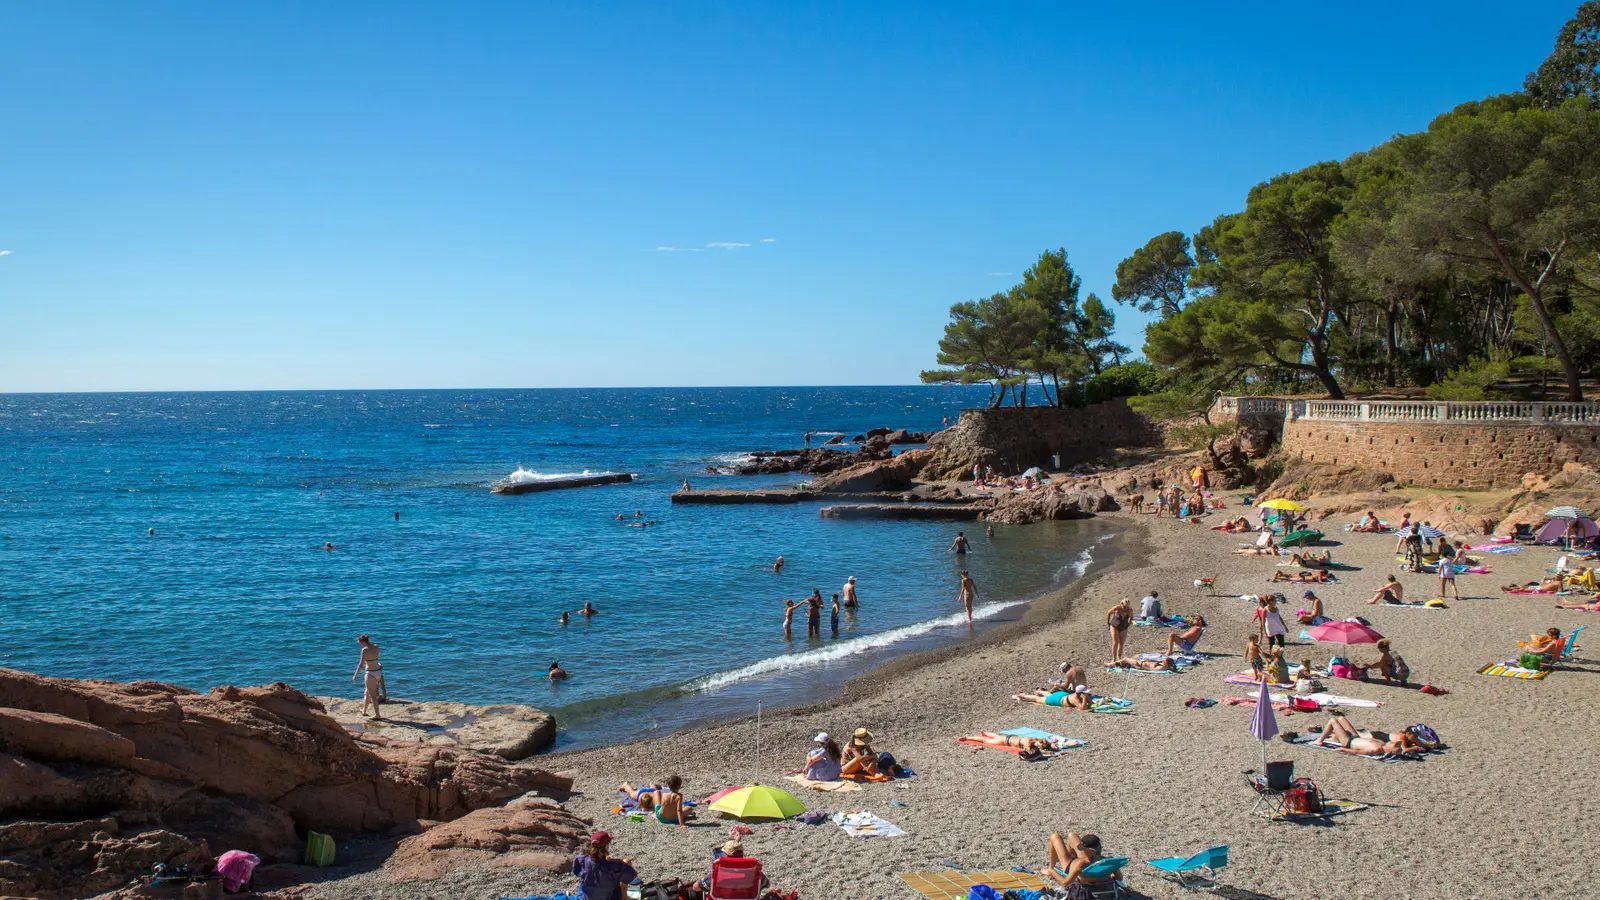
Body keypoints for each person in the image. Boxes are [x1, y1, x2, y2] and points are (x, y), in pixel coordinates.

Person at [1313, 712, 1435, 757]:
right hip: (1355, 737)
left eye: (1393, 745)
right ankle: (1332, 736)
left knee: (1333, 721)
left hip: (1348, 742)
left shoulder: (1377, 749)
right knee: (1341, 718)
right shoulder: (1384, 744)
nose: (1393, 743)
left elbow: (1358, 752)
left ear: (1389, 750)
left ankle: (1320, 739)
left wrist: (1344, 749)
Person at [1047, 831, 1122, 896]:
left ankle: (1050, 867)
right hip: (1093, 864)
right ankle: (1071, 854)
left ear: (1087, 850)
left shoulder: (1081, 864)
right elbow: (1120, 879)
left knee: (1055, 837)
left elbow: (1065, 883)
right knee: (1072, 835)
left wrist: (1052, 872)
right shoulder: (1109, 861)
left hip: (1070, 866)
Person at [571, 831, 636, 900]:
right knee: (626, 862)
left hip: (587, 897)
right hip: (609, 897)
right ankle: (624, 897)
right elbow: (631, 876)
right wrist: (619, 862)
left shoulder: (581, 860)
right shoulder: (615, 866)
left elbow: (576, 871)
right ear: (606, 846)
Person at [352, 634, 386, 716]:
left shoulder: (364, 650)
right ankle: (364, 711)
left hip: (370, 673)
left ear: (362, 642)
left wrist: (355, 675)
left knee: (372, 696)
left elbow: (361, 664)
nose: (360, 644)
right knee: (366, 693)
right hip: (378, 672)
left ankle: (377, 715)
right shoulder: (376, 646)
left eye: (360, 643)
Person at [1015, 684, 1094, 709]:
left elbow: (1090, 702)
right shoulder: (1075, 698)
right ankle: (1022, 696)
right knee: (1037, 699)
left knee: (1050, 695)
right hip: (1058, 699)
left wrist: (1088, 699)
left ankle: (1039, 691)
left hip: (1062, 695)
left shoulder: (1078, 695)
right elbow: (1082, 708)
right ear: (1080, 693)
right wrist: (1084, 699)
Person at [1107, 656, 1178, 672]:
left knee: (1125, 659)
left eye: (1163, 661)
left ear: (1166, 664)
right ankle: (1119, 665)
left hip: (1140, 664)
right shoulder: (1163, 665)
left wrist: (1140, 667)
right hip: (1142, 662)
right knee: (1124, 660)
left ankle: (1110, 665)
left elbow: (1150, 669)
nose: (1162, 661)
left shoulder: (1161, 668)